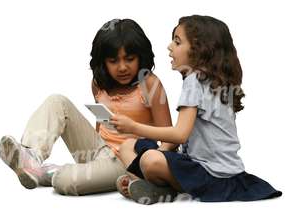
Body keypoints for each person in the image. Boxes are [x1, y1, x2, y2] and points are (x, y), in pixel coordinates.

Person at [111, 15, 282, 204]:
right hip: (211, 169)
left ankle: (153, 186)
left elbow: (180, 134)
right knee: (130, 146)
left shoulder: (194, 81)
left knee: (149, 160)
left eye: (177, 42)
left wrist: (133, 127)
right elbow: (180, 138)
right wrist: (163, 150)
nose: (169, 47)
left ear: (200, 50)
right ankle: (154, 187)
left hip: (211, 176)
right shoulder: (214, 81)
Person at [0, 18, 173, 196]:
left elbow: (170, 138)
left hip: (127, 160)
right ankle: (31, 156)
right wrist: (93, 153)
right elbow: (101, 123)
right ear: (103, 62)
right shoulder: (99, 83)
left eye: (129, 59)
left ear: (140, 56)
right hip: (99, 150)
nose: (122, 67)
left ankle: (48, 173)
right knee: (57, 101)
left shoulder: (150, 84)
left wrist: (148, 168)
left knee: (64, 182)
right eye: (113, 61)